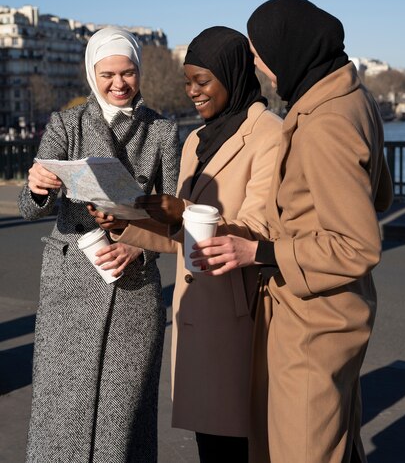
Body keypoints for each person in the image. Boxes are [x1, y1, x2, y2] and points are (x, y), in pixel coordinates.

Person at [191, 0, 393, 463]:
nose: (259, 67)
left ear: (290, 47)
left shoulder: (324, 122)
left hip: (312, 320)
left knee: (300, 448)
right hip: (338, 312)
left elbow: (358, 245)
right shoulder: (352, 97)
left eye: (261, 54)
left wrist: (261, 252)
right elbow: (378, 197)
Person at [89, 26, 283, 463]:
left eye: (202, 81)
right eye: (187, 81)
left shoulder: (269, 133)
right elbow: (181, 235)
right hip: (194, 311)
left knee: (239, 443)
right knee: (209, 442)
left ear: (232, 76)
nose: (192, 92)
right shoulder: (198, 138)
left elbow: (258, 228)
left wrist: (181, 210)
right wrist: (123, 222)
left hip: (238, 313)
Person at [18, 26, 179, 463]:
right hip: (70, 287)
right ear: (92, 74)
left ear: (140, 71)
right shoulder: (66, 124)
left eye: (128, 73)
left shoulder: (162, 131)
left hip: (134, 288)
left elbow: (177, 220)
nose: (119, 84)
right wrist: (37, 187)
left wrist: (137, 245)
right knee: (60, 414)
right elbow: (29, 208)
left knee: (124, 416)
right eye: (107, 74)